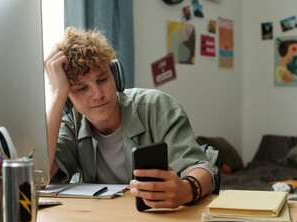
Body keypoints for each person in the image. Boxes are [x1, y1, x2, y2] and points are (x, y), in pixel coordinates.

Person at [44, 26, 215, 208]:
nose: (98, 94)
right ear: (68, 99)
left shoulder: (157, 107)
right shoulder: (71, 123)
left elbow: (202, 169)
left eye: (102, 79)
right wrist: (57, 95)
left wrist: (187, 190)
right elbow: (37, 178)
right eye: (82, 88)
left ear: (116, 76)